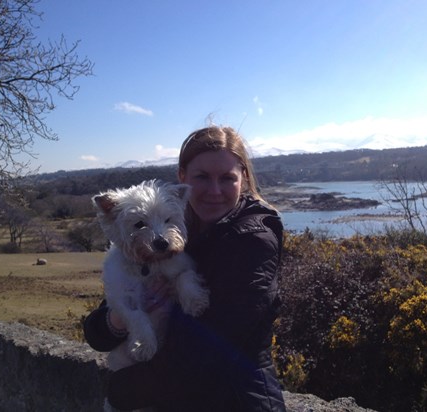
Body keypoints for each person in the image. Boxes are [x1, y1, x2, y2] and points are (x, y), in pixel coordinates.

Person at [84, 125, 287, 411]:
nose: (214, 191)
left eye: (227, 178)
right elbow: (96, 334)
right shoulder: (168, 228)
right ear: (183, 178)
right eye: (202, 177)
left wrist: (121, 389)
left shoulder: (254, 240)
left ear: (243, 178)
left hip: (233, 400)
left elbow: (210, 352)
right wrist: (119, 319)